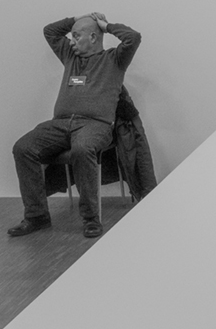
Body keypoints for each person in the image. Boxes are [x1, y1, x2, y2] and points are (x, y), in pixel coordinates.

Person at [9, 12, 142, 238]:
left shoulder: (114, 60)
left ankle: (91, 219)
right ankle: (36, 216)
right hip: (61, 124)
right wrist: (78, 19)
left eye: (77, 36)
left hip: (95, 125)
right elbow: (50, 31)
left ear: (93, 37)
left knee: (82, 148)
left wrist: (105, 26)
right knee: (23, 148)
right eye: (72, 36)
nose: (71, 41)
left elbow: (133, 38)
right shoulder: (70, 57)